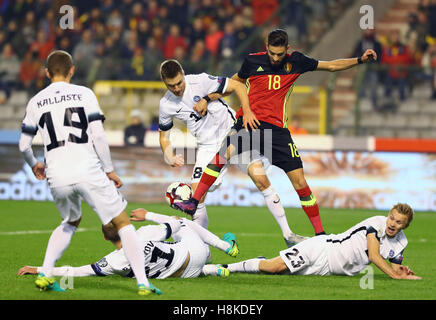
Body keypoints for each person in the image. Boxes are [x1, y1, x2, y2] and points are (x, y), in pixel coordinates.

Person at [175, 29, 377, 237]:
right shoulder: (252, 62)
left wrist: (360, 60)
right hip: (250, 123)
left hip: (277, 132)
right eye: (272, 53)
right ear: (267, 48)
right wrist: (208, 98)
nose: (275, 58)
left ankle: (320, 234)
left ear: (287, 50)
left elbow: (332, 66)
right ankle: (193, 202)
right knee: (223, 153)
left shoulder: (297, 61)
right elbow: (233, 84)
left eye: (280, 54)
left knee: (300, 182)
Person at [18, 50, 159, 296]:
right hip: (87, 169)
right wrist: (109, 170)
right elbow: (99, 136)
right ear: (72, 70)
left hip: (57, 173)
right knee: (122, 222)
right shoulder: (85, 94)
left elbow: (23, 145)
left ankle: (45, 274)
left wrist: (34, 164)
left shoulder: (35, 101)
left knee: (70, 222)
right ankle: (143, 283)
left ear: (47, 73)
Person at [158, 59, 307, 247]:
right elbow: (164, 137)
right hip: (207, 145)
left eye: (179, 83)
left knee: (260, 178)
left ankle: (288, 234)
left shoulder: (200, 81)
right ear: (164, 83)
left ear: (183, 73)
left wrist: (245, 111)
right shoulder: (166, 104)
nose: (177, 88)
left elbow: (238, 85)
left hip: (232, 133)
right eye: (171, 86)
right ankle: (197, 245)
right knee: (196, 196)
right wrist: (169, 155)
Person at [218, 203, 421, 280]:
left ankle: (261, 261)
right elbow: (374, 256)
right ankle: (223, 267)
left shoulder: (400, 243)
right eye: (392, 218)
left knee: (279, 271)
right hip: (322, 249)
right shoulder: (376, 224)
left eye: (399, 222)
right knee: (273, 268)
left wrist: (401, 272)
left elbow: (395, 268)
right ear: (388, 216)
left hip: (328, 269)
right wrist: (396, 277)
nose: (393, 223)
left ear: (405, 226)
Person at [18, 209, 238, 279]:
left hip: (182, 276)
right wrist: (149, 214)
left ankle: (210, 269)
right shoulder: (144, 233)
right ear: (124, 226)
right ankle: (224, 247)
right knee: (182, 222)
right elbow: (175, 225)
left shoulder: (112, 262)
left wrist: (38, 269)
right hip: (194, 256)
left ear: (106, 238)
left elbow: (75, 271)